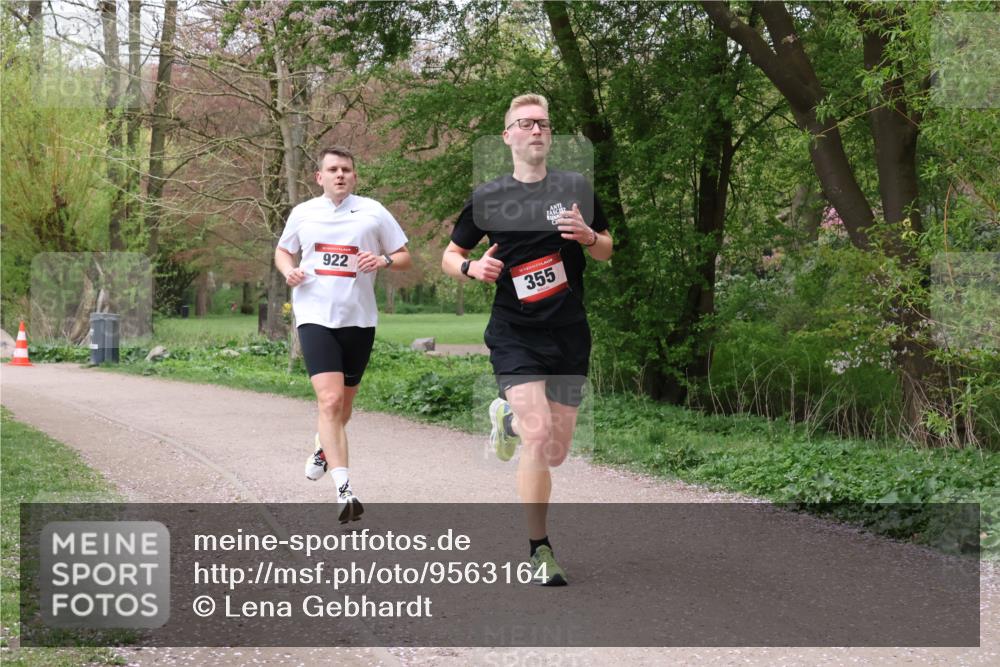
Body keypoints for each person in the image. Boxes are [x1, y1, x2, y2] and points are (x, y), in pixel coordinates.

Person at [441, 94, 613, 585]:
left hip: (569, 333)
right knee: (539, 436)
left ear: (550, 134)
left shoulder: (576, 188)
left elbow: (607, 250)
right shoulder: (488, 197)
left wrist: (586, 236)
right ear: (508, 136)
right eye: (526, 123)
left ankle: (507, 422)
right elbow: (450, 255)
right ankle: (539, 548)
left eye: (543, 123)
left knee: (555, 450)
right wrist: (474, 268)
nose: (536, 130)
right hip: (515, 333)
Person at [275, 146, 410, 523]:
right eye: (332, 169)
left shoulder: (373, 212)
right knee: (330, 401)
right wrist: (289, 271)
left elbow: (403, 256)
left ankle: (323, 449)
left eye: (346, 170)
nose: (339, 175)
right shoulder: (303, 213)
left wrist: (382, 260)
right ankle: (344, 489)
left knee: (343, 406)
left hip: (358, 319)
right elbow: (283, 252)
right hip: (315, 315)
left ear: (354, 176)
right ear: (319, 177)